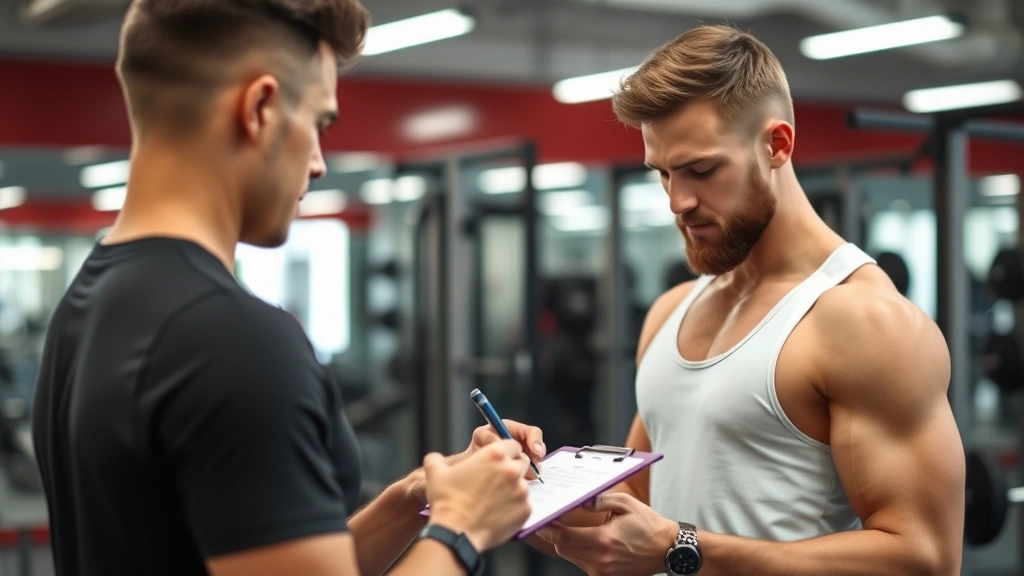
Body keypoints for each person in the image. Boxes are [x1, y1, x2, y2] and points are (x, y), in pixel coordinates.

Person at [30, 2, 547, 576]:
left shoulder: (91, 300)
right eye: (320, 124)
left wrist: (414, 500)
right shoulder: (232, 338)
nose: (321, 164)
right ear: (260, 108)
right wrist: (464, 529)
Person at [534, 25, 966, 576]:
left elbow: (927, 557)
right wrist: (522, 490)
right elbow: (633, 520)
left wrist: (683, 546)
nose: (678, 201)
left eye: (702, 169)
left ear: (777, 145)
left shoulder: (863, 322)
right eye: (662, 174)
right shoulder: (671, 313)